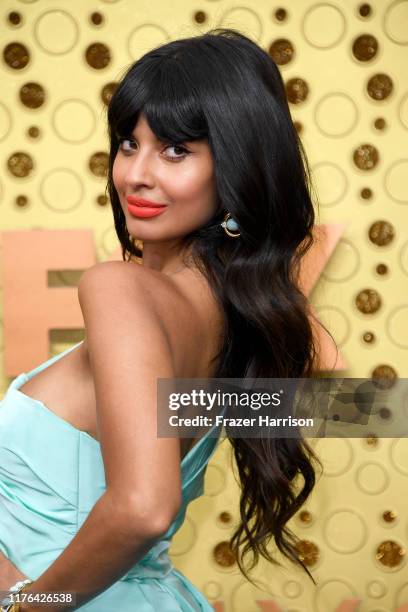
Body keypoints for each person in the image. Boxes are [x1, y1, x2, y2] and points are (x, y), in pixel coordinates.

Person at [0, 28, 332, 611]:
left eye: (177, 150)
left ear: (237, 164)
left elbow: (144, 506)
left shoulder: (121, 289)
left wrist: (27, 605)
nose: (136, 175)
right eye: (129, 144)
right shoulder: (233, 320)